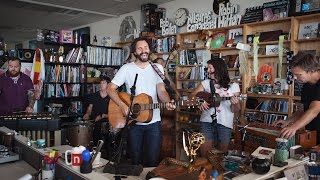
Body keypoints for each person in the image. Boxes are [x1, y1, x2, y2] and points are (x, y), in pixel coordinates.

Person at [106, 37, 175, 167]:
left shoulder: (157, 67)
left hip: (154, 122)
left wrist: (168, 102)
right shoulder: (126, 68)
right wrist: (122, 106)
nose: (144, 50)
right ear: (135, 52)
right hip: (133, 122)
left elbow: (161, 91)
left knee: (152, 160)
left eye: (146, 47)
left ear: (149, 50)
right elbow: (110, 88)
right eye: (140, 48)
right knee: (135, 160)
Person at [190, 58, 240, 155]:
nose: (207, 70)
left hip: (225, 124)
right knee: (205, 154)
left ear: (218, 68)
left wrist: (236, 103)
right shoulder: (205, 83)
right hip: (206, 122)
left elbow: (236, 109)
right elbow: (191, 97)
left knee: (222, 155)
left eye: (210, 68)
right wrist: (199, 101)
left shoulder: (233, 86)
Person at [274, 52, 320, 143]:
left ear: (311, 71)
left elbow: (314, 110)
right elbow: (303, 109)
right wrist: (288, 121)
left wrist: (294, 127)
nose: (295, 78)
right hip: (313, 133)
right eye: (294, 74)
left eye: (299, 74)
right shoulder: (306, 86)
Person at [83, 75, 111, 147]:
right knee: (96, 129)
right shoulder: (94, 95)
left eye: (104, 83)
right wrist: (87, 114)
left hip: (107, 121)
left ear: (108, 85)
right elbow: (90, 107)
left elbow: (114, 114)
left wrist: (102, 115)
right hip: (95, 120)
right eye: (100, 83)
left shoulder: (112, 97)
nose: (101, 85)